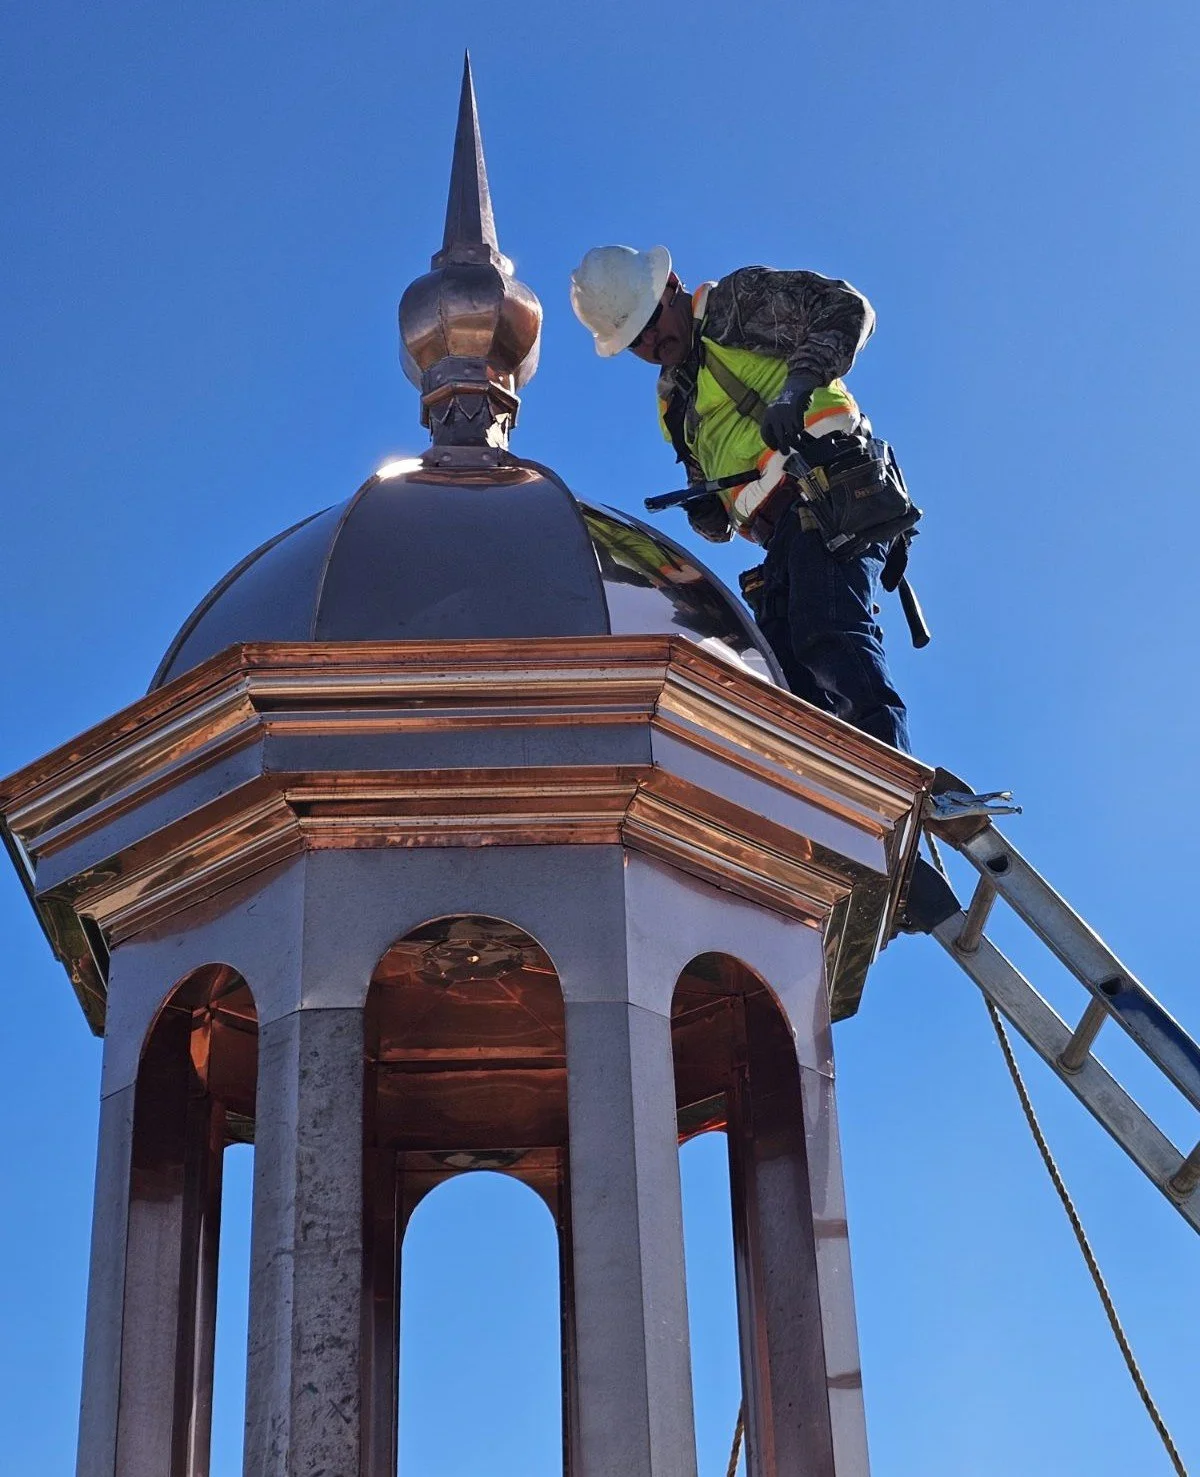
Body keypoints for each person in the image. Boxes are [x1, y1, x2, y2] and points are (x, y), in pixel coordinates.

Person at [570, 244, 910, 754]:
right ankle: (826, 795)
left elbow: (848, 309)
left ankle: (891, 769)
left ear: (671, 287)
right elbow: (720, 523)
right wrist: (707, 511)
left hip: (831, 491)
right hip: (781, 537)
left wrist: (797, 389)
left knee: (828, 629)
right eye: (635, 341)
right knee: (779, 679)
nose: (653, 342)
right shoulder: (674, 404)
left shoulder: (735, 306)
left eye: (653, 322)